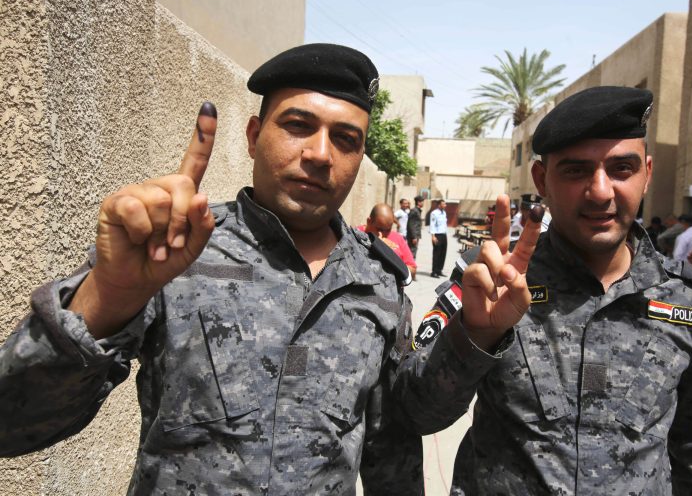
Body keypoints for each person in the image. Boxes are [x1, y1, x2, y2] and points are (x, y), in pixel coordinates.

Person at [0, 44, 424, 495]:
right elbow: (11, 422)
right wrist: (106, 296)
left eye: (345, 139)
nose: (321, 154)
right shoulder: (179, 250)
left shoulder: (379, 283)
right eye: (298, 126)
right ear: (253, 136)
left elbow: (390, 456)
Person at [397, 86, 692, 494]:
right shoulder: (493, 283)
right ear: (542, 180)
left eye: (621, 169)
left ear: (647, 174)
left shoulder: (688, 304)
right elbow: (415, 414)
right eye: (576, 171)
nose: (600, 191)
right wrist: (475, 334)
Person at [359, 203, 416, 280]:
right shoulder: (355, 235)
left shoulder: (398, 238)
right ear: (369, 221)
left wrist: (391, 256)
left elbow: (412, 269)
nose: (383, 234)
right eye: (379, 229)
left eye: (388, 230)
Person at [429, 199, 448, 278]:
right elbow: (432, 224)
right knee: (437, 254)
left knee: (443, 253)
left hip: (443, 235)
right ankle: (434, 271)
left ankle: (439, 270)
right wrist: (433, 236)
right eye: (443, 204)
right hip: (437, 235)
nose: (445, 205)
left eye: (445, 204)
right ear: (439, 205)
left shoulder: (444, 213)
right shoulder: (434, 213)